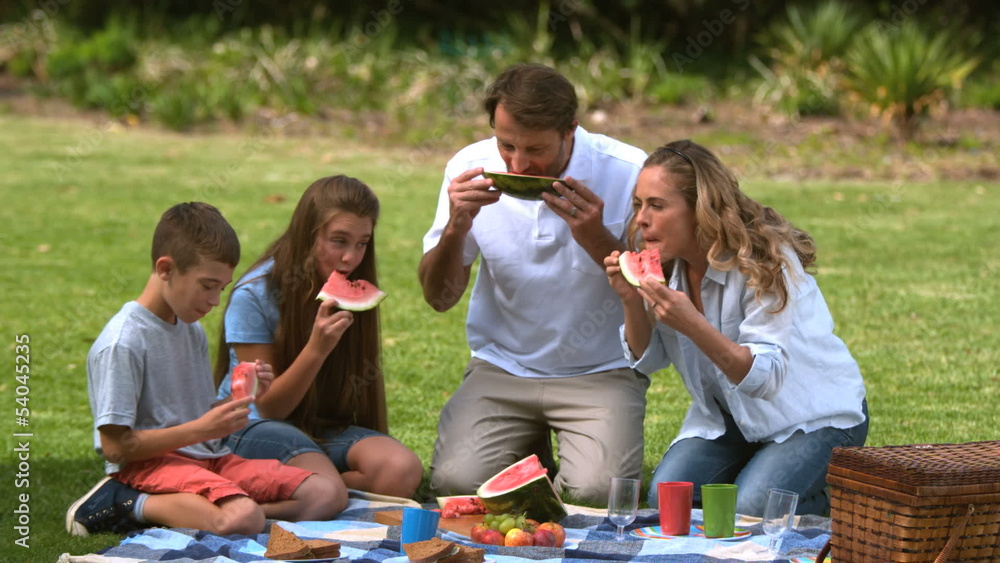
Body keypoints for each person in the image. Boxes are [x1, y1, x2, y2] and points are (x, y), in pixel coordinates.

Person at [419, 63, 649, 504]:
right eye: (506, 145)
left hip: (601, 368)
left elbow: (656, 292)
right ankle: (526, 452)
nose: (519, 164)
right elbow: (438, 299)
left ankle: (537, 456)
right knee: (456, 486)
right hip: (502, 366)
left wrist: (596, 236)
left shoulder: (628, 171)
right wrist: (455, 228)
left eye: (536, 149)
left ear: (571, 131)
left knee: (597, 493)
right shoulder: (468, 167)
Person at [604, 140, 869, 516]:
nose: (640, 219)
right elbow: (647, 361)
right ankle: (766, 477)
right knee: (667, 500)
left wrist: (694, 325)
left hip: (814, 417)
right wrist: (630, 300)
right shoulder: (668, 267)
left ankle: (848, 499)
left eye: (657, 206)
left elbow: (765, 377)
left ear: (699, 210)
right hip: (732, 421)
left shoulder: (765, 261)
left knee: (751, 507)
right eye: (638, 205)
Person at [66, 202, 340, 537]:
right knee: (242, 518)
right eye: (207, 285)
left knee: (326, 494)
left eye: (221, 289)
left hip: (208, 457)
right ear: (166, 269)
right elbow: (115, 447)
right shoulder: (123, 343)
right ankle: (122, 501)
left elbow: (196, 413)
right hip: (148, 466)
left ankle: (231, 516)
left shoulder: (189, 329)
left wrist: (248, 399)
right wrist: (200, 430)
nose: (214, 300)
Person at [213, 175, 422, 504]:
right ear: (308, 235)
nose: (351, 258)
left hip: (313, 426)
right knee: (327, 489)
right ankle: (293, 485)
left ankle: (305, 487)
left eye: (362, 243)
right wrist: (317, 348)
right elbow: (268, 407)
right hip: (249, 426)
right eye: (338, 241)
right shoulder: (254, 294)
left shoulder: (349, 284)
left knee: (401, 470)